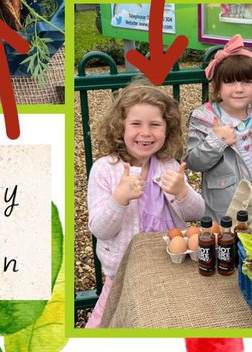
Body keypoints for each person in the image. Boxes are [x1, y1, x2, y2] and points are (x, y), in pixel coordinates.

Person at [86, 80, 205, 329]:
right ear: (120, 127)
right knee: (113, 321)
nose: (146, 132)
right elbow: (100, 229)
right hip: (124, 270)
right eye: (136, 124)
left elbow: (197, 212)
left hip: (170, 262)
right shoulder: (104, 170)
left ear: (167, 129)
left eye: (155, 125)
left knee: (165, 318)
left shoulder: (169, 166)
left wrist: (182, 192)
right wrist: (119, 200)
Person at [186, 35, 252, 221]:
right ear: (217, 86)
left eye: (247, 82)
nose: (239, 89)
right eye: (230, 82)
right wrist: (216, 141)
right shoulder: (204, 117)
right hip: (227, 195)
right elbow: (194, 162)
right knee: (233, 238)